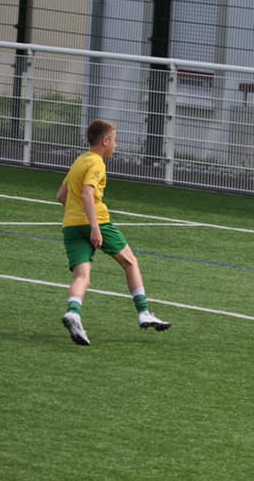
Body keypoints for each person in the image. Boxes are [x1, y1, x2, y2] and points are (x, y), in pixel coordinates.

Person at [58, 119, 171, 346]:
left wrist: (77, 215)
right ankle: (144, 312)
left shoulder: (78, 161)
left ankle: (74, 312)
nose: (116, 146)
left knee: (82, 277)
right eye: (115, 141)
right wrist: (94, 226)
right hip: (97, 221)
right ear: (105, 141)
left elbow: (61, 196)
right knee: (130, 262)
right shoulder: (97, 163)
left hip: (70, 226)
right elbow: (88, 193)